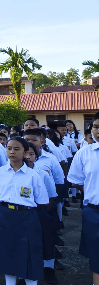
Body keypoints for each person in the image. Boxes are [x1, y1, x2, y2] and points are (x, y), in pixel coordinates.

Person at [0, 137, 49, 285]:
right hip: (4, 216)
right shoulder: (0, 172)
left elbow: (42, 200)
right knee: (7, 254)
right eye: (9, 148)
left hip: (26, 217)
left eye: (17, 149)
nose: (12, 152)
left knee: (29, 254)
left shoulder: (33, 175)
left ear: (25, 152)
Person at [67, 111, 99, 285]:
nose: (98, 131)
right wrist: (93, 191)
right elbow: (76, 181)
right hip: (94, 212)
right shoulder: (84, 153)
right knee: (97, 259)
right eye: (95, 127)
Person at [24, 141, 59, 284]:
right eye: (25, 153)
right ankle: (23, 274)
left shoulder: (42, 174)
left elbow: (51, 195)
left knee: (45, 240)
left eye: (31, 154)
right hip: (22, 213)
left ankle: (48, 269)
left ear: (36, 156)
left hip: (40, 211)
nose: (28, 157)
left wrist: (43, 210)